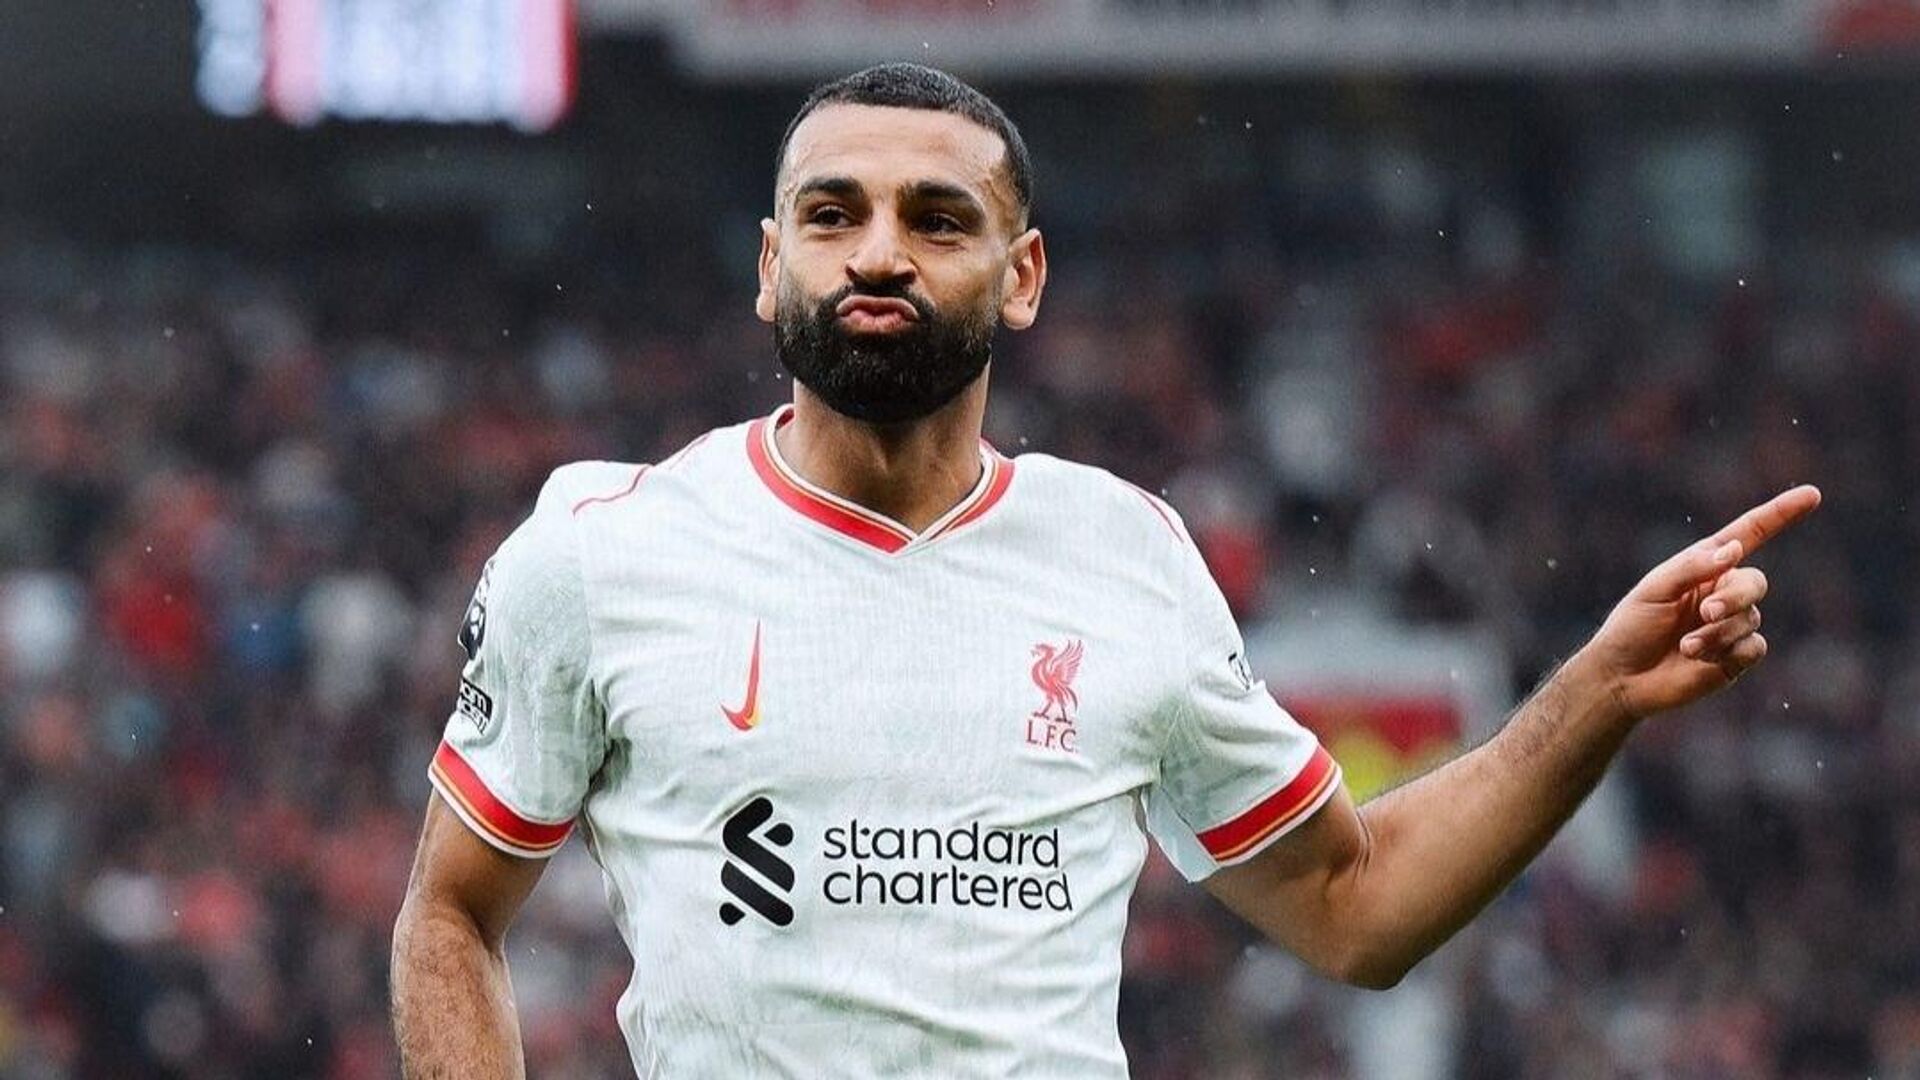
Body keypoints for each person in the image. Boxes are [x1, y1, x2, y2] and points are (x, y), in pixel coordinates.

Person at [388, 63, 1820, 1078]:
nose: (878, 253)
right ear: (770, 266)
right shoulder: (604, 551)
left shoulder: (1126, 556)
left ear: (1021, 275)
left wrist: (1596, 696)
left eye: (937, 218)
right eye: (832, 215)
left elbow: (1356, 905)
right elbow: (452, 911)